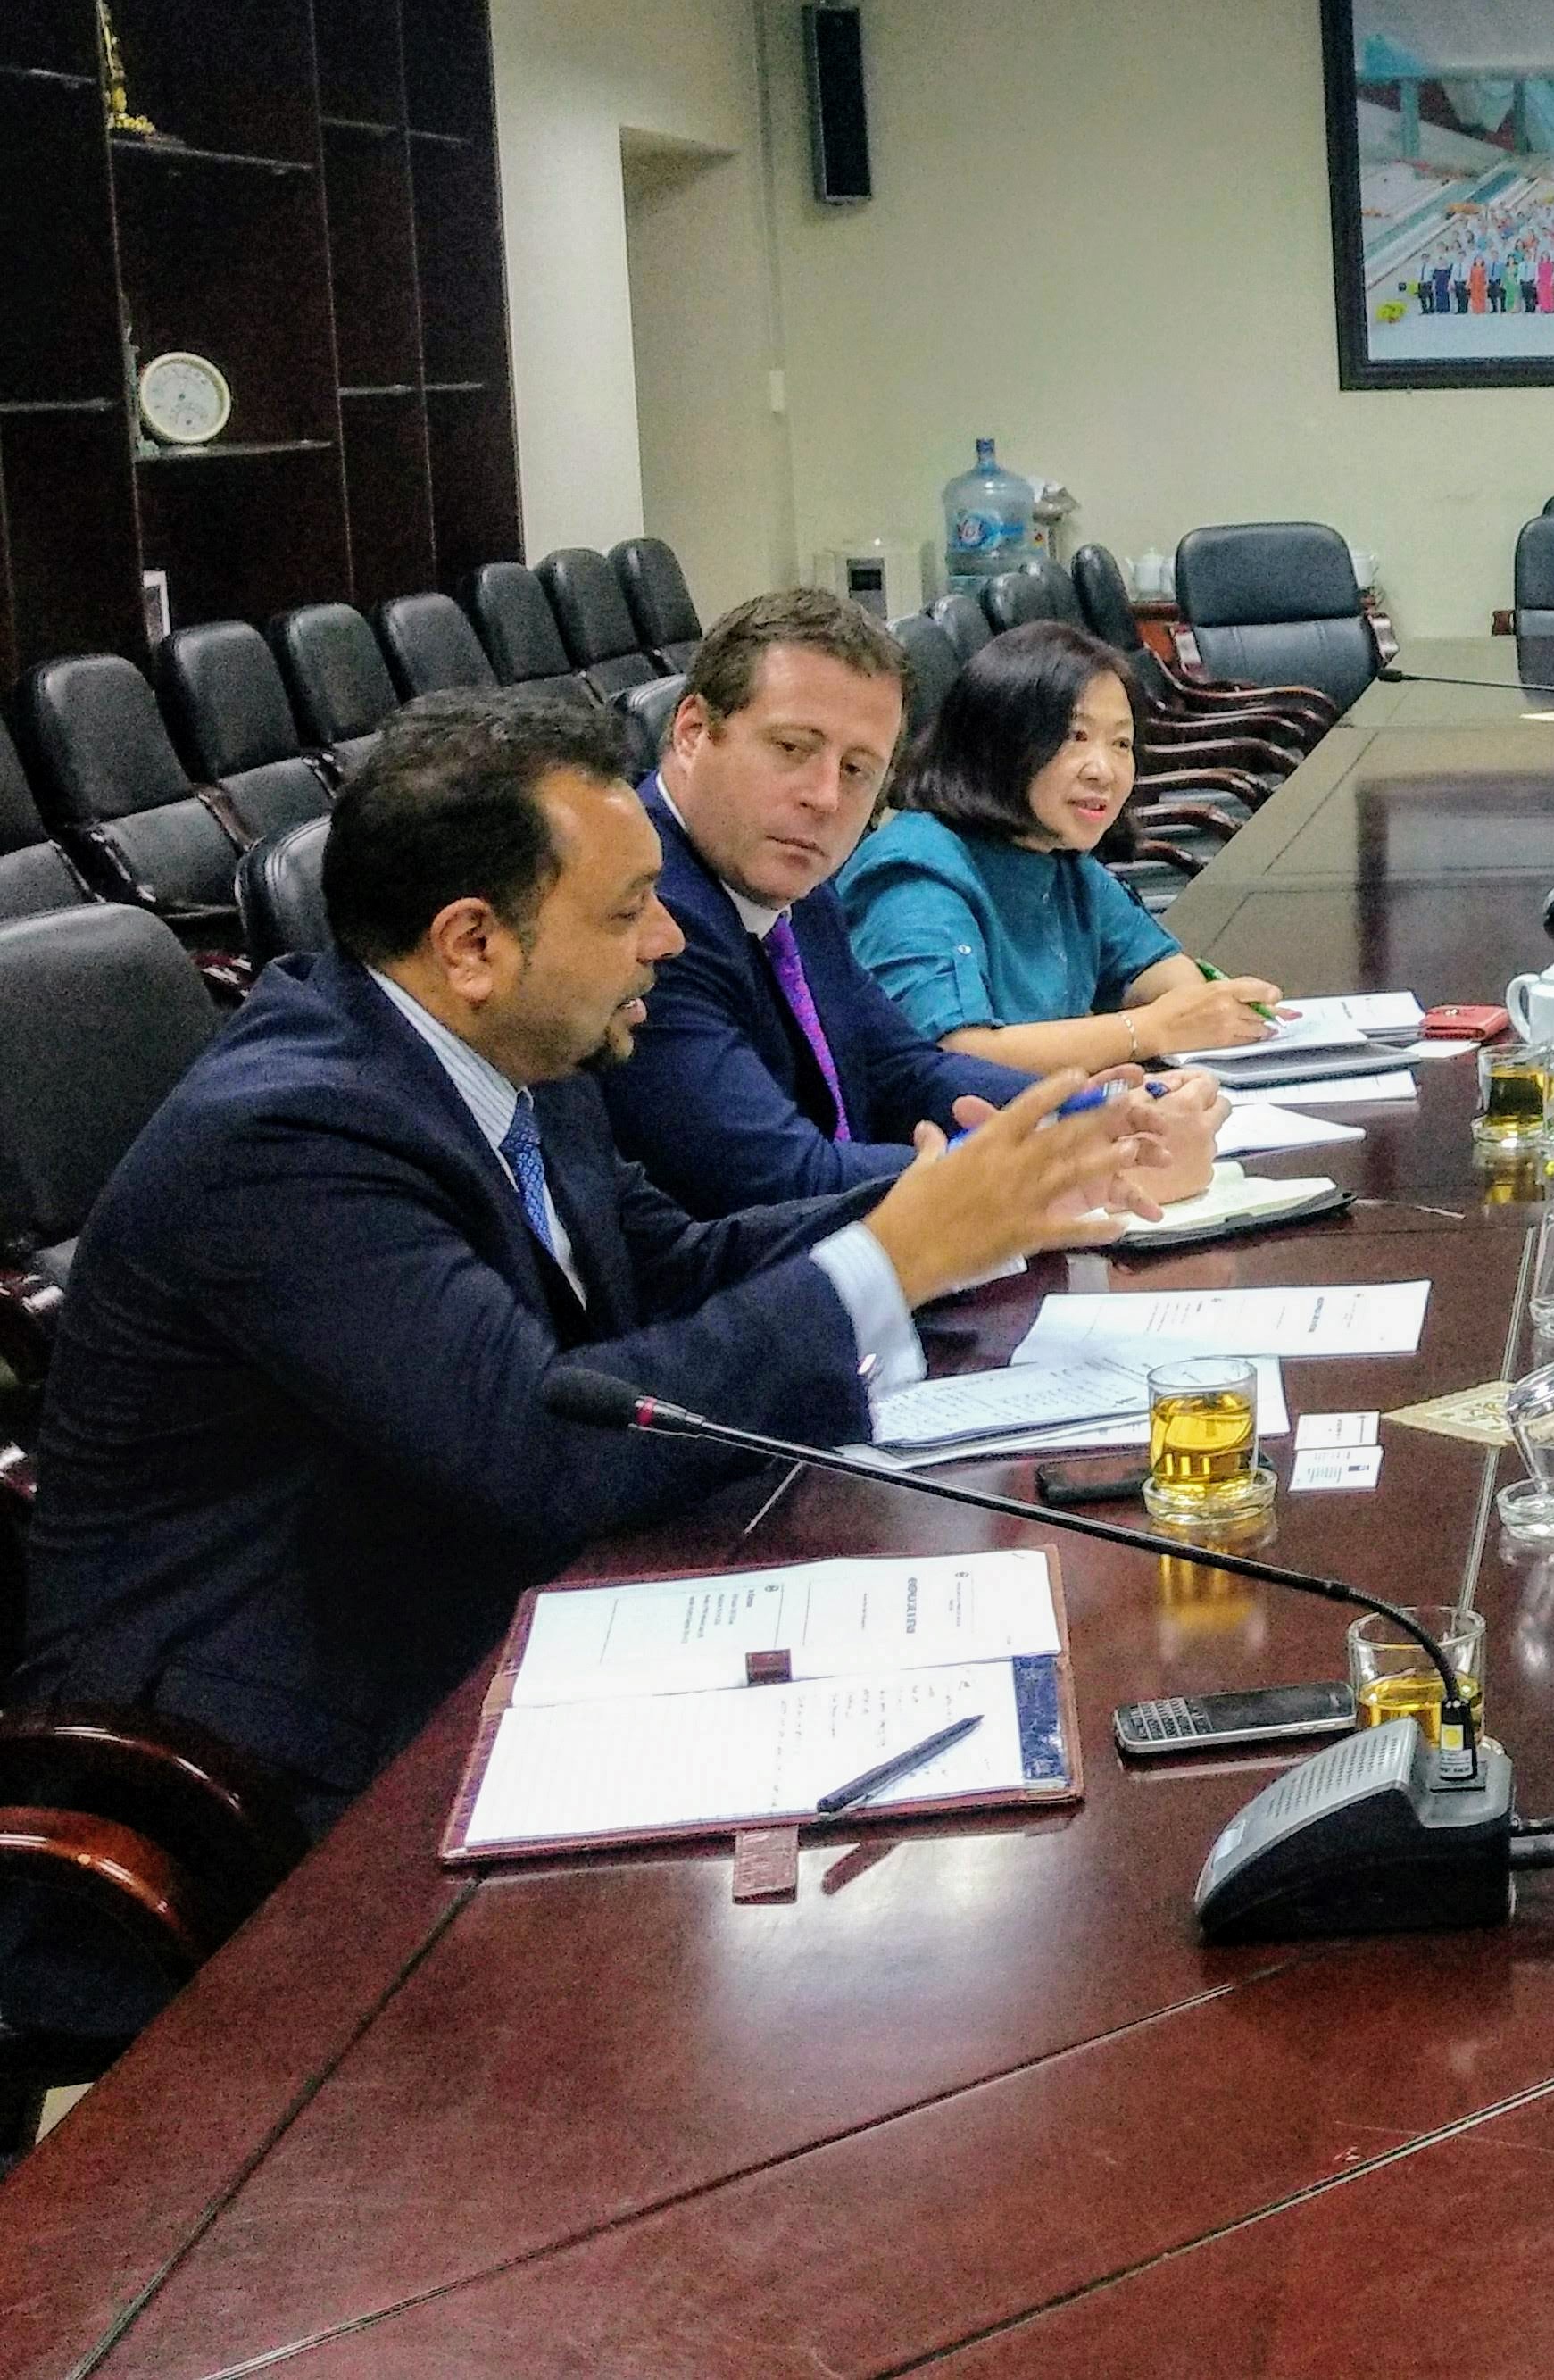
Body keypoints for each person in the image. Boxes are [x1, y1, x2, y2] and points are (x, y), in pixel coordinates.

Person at [12, 689, 1141, 1836]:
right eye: (629, 909)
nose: (668, 937)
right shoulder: (290, 1139)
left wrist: (953, 1210)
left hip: (477, 1617)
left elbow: (674, 1265)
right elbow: (538, 1448)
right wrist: (888, 1264)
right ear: (474, 944)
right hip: (261, 1755)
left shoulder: (522, 1058)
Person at [604, 587, 1226, 1217]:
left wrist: (1101, 1110)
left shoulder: (793, 880)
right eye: (792, 748)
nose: (824, 797)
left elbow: (903, 1070)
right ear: (691, 732)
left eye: (857, 770)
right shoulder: (640, 910)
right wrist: (1068, 1163)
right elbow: (781, 1175)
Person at [840, 621, 1290, 1073]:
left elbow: (1161, 974)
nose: (1104, 771)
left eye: (1120, 743)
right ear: (998, 738)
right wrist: (1150, 1030)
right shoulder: (913, 874)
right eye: (1076, 737)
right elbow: (956, 1059)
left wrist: (1201, 1008)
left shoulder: (1054, 854)